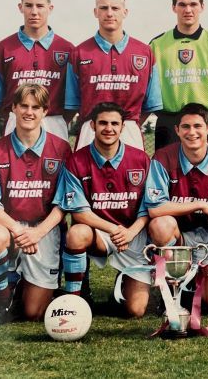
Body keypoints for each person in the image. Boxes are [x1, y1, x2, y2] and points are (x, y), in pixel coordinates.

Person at [0, 84, 71, 324]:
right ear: (13, 108)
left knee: (33, 313)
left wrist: (37, 232)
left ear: (45, 111)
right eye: (24, 106)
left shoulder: (61, 149)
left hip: (44, 228)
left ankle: (21, 284)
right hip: (10, 226)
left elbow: (63, 203)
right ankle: (3, 297)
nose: (29, 112)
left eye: (35, 107)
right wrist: (18, 231)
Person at [54, 102, 152, 317]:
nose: (109, 128)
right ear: (92, 126)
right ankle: (75, 300)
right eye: (103, 123)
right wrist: (116, 229)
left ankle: (124, 278)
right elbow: (79, 213)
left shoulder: (141, 159)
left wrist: (130, 232)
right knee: (76, 233)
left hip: (133, 234)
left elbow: (150, 207)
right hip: (100, 233)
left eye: (115, 123)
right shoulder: (76, 161)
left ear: (122, 127)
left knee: (136, 310)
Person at [144, 103, 208, 312]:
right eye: (185, 127)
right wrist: (201, 204)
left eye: (198, 126)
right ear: (177, 130)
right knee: (161, 225)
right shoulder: (163, 157)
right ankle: (168, 290)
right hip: (179, 238)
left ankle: (205, 279)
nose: (192, 132)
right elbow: (154, 209)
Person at [65, 0, 162, 150]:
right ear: (95, 12)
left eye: (115, 8)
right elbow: (72, 104)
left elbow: (149, 105)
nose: (109, 13)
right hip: (90, 130)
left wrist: (127, 123)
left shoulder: (144, 53)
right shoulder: (79, 53)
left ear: (125, 12)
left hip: (129, 130)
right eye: (103, 8)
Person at [150, 0, 208, 150]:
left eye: (193, 4)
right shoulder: (156, 45)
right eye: (182, 4)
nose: (188, 10)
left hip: (207, 123)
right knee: (167, 174)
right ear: (174, 7)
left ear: (202, 6)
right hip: (169, 123)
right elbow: (148, 89)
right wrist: (165, 115)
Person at [0, 0, 74, 138]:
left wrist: (58, 119)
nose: (34, 12)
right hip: (16, 121)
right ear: (20, 7)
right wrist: (15, 116)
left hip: (53, 122)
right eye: (29, 5)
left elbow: (73, 99)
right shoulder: (4, 47)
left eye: (40, 6)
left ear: (50, 8)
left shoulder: (67, 49)